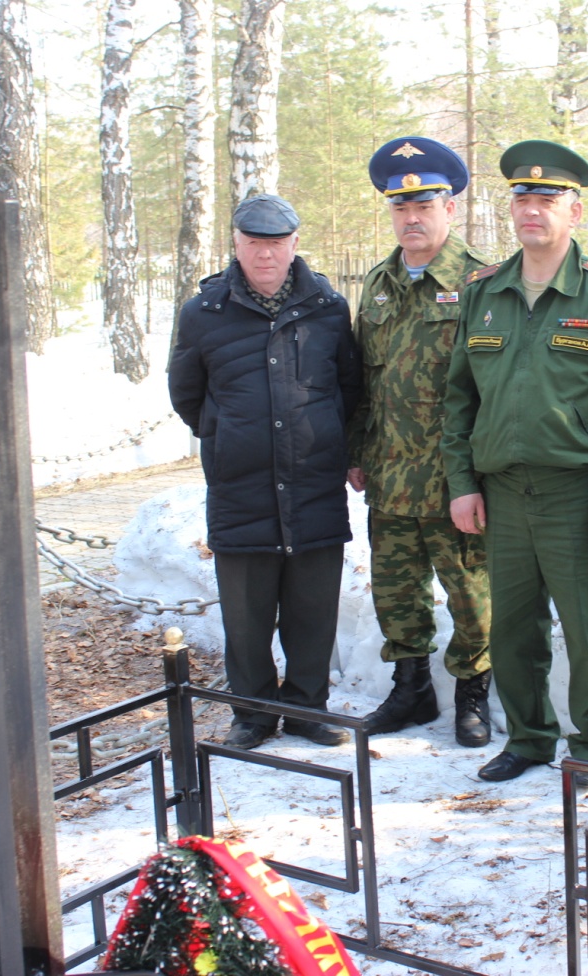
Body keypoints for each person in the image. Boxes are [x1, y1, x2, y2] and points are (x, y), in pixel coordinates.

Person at [442, 140, 588, 787]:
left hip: (576, 493)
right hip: (502, 493)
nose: (531, 210)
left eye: (546, 199)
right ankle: (530, 737)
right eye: (521, 198)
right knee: (510, 626)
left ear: (575, 211)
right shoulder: (485, 293)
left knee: (587, 627)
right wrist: (462, 484)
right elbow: (458, 401)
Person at [169, 194, 361, 749]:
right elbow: (186, 394)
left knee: (312, 607)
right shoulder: (203, 314)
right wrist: (229, 434)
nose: (265, 254)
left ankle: (306, 708)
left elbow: (348, 386)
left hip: (313, 483)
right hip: (241, 484)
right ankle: (251, 713)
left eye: (276, 243)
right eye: (254, 242)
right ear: (235, 244)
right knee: (247, 616)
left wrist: (324, 436)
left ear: (295, 245)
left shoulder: (328, 307)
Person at [347, 137, 495, 747]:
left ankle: (472, 696)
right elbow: (361, 376)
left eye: (425, 204)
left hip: (452, 479)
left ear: (450, 208)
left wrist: (481, 475)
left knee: (471, 597)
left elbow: (493, 387)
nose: (411, 218)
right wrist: (357, 450)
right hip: (389, 476)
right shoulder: (379, 284)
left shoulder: (482, 281)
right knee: (396, 593)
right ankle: (411, 689)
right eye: (400, 207)